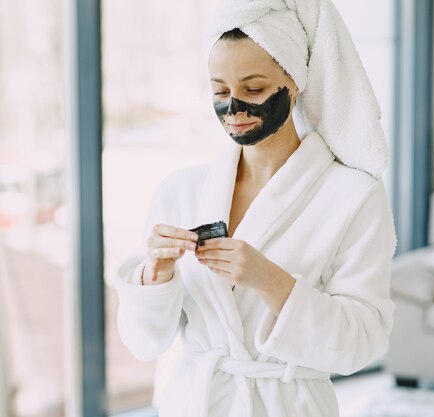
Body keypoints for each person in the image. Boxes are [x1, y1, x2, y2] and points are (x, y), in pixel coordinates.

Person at [111, 0, 397, 416]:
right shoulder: (181, 190)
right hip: (195, 401)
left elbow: (361, 344)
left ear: (294, 82)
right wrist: (155, 277)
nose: (234, 108)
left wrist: (269, 280)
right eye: (220, 91)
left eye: (254, 89)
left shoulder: (353, 196)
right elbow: (144, 344)